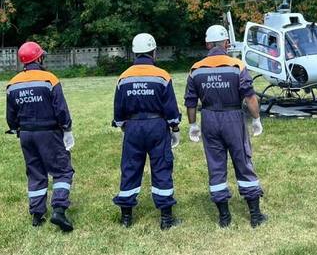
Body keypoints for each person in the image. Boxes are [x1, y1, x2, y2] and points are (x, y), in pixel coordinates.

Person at [184, 24, 268, 228]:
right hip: (233, 118)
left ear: (207, 44)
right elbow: (250, 97)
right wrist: (256, 119)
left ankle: (224, 217)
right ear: (226, 43)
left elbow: (191, 102)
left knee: (216, 166)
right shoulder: (236, 65)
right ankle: (255, 215)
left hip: (209, 119)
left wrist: (193, 125)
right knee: (243, 162)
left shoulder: (196, 69)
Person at [111, 33, 182, 230]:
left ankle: (126, 217)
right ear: (154, 52)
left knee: (130, 168)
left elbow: (118, 111)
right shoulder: (162, 76)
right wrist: (174, 127)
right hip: (157, 126)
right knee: (161, 167)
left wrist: (124, 125)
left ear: (134, 53)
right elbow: (171, 108)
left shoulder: (123, 77)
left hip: (133, 128)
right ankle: (166, 218)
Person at [6, 41, 75, 232]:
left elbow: (10, 116)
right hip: (49, 133)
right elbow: (60, 108)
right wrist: (67, 128)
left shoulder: (12, 84)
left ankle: (37, 214)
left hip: (26, 134)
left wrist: (15, 128)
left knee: (35, 172)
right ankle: (59, 209)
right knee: (62, 171)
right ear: (39, 58)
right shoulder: (49, 79)